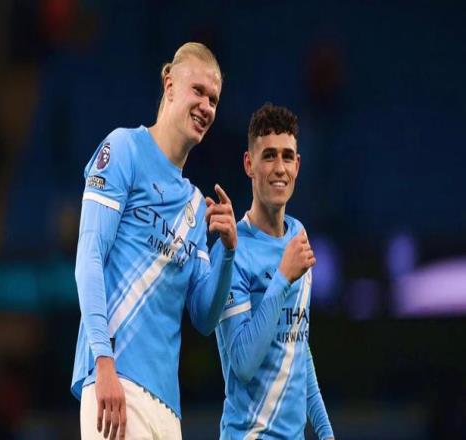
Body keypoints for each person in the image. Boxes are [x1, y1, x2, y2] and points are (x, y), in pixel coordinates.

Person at [71, 42, 237, 440]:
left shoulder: (195, 205)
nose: (206, 106)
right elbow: (88, 257)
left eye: (213, 100)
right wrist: (103, 360)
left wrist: (228, 253)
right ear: (169, 84)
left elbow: (204, 317)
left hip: (167, 407)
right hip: (116, 382)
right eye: (198, 91)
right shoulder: (123, 148)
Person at [212, 103, 334, 439]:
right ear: (249, 164)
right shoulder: (231, 249)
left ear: (298, 165)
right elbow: (243, 363)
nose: (279, 168)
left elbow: (297, 348)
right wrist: (282, 278)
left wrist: (325, 431)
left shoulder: (298, 236)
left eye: (287, 156)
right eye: (268, 156)